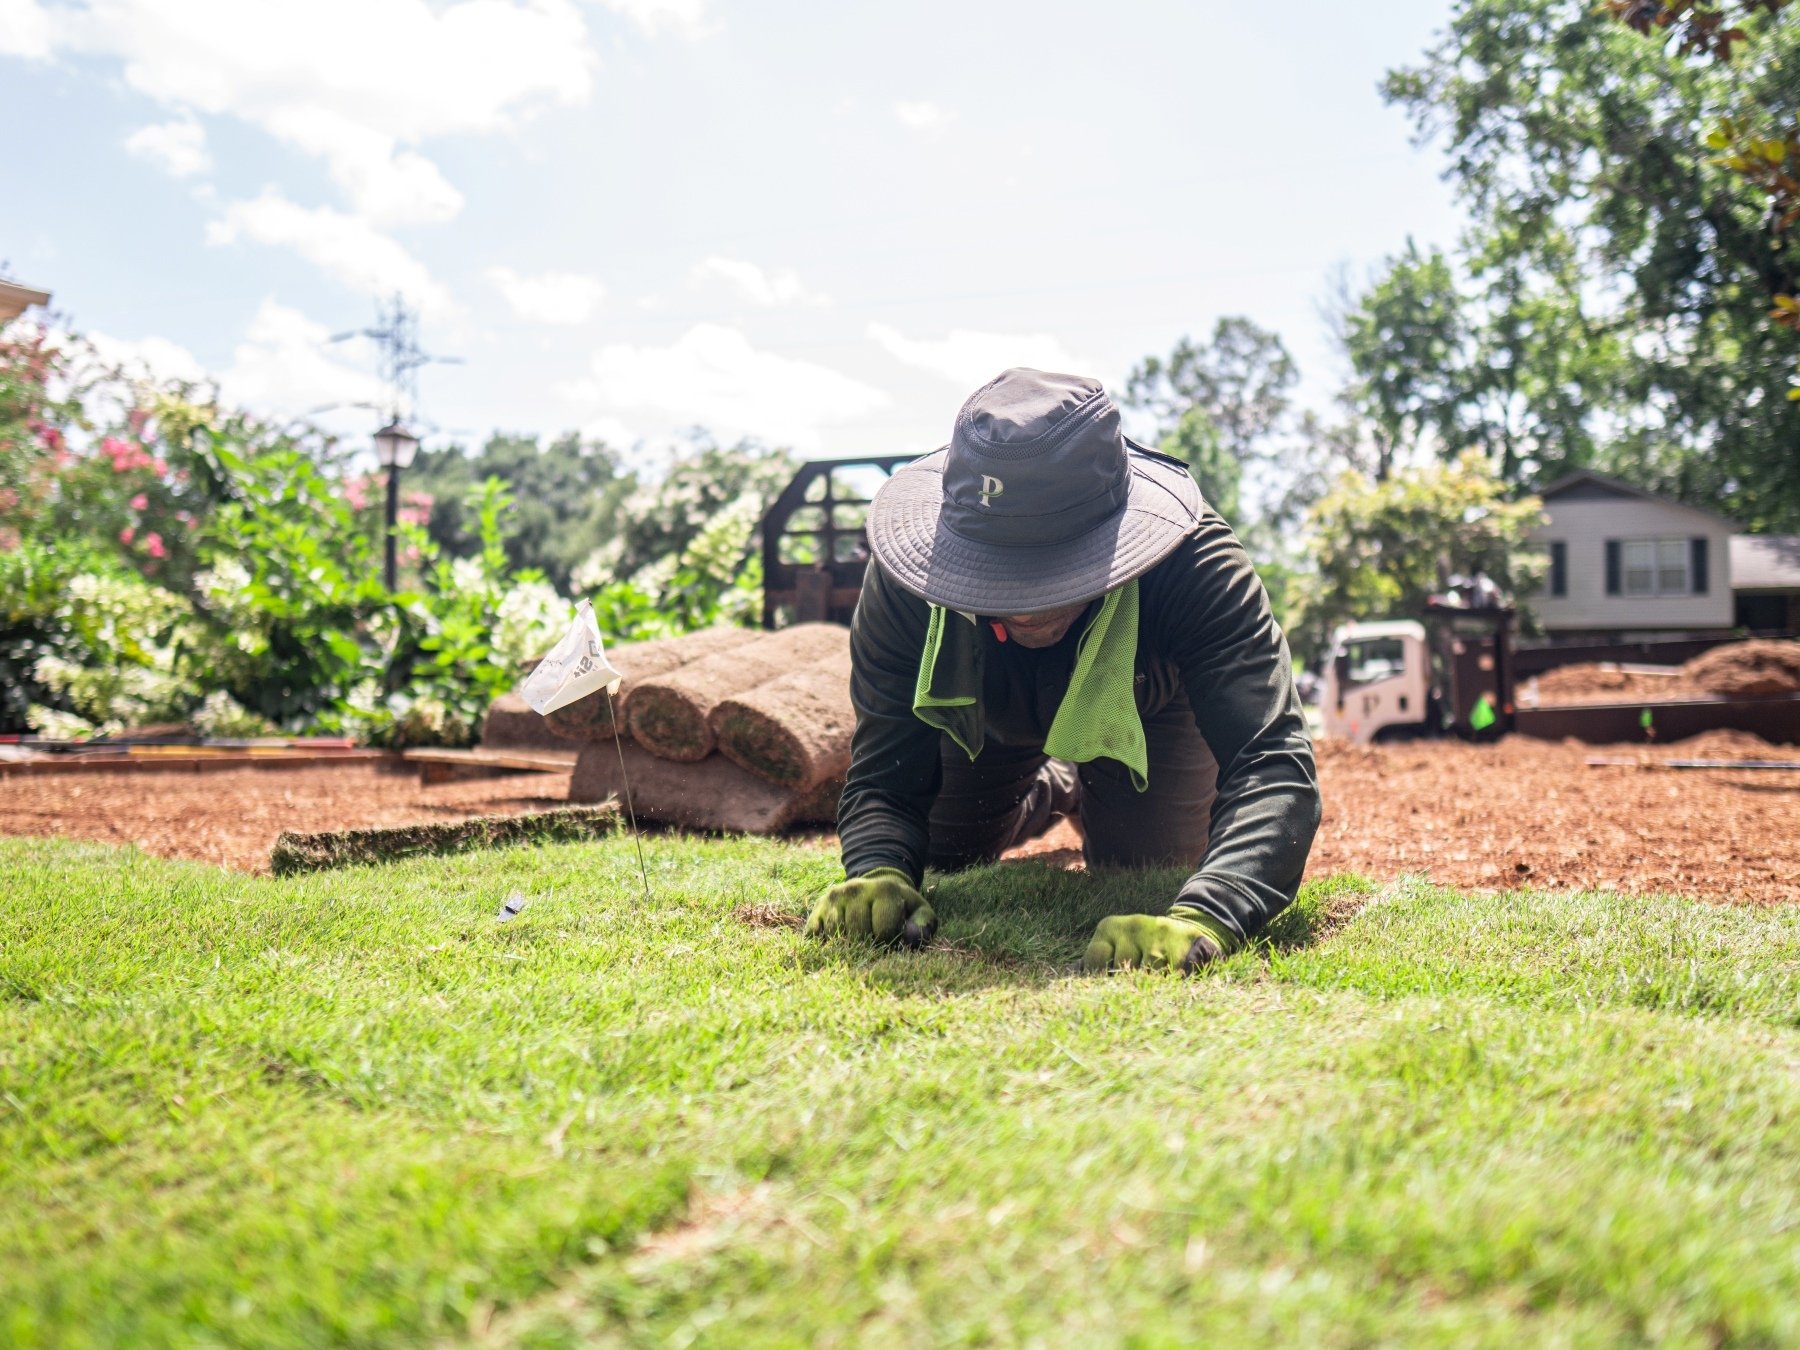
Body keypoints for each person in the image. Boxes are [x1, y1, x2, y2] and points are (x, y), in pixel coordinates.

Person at [805, 367, 1321, 974]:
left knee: (1146, 874)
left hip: (1146, 712)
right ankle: (1059, 782)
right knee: (943, 861)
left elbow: (1273, 762)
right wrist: (877, 870)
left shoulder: (1198, 567)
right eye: (996, 571)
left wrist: (1209, 917)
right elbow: (885, 774)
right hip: (985, 714)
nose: (1025, 603)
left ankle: (1095, 772)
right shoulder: (903, 587)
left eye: (1051, 572)